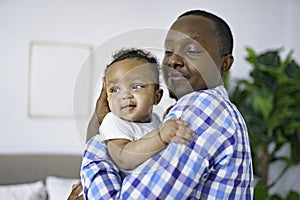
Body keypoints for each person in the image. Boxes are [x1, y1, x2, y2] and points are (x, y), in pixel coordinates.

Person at [72, 9, 253, 199]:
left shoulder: (201, 107)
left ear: (224, 64)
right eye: (168, 52)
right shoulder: (211, 112)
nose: (173, 60)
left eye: (191, 50)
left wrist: (96, 144)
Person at [95, 48, 194, 177]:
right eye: (115, 89)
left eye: (136, 86)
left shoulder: (156, 119)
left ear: (156, 97)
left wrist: (169, 118)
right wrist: (160, 136)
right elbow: (123, 159)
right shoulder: (113, 122)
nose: (125, 96)